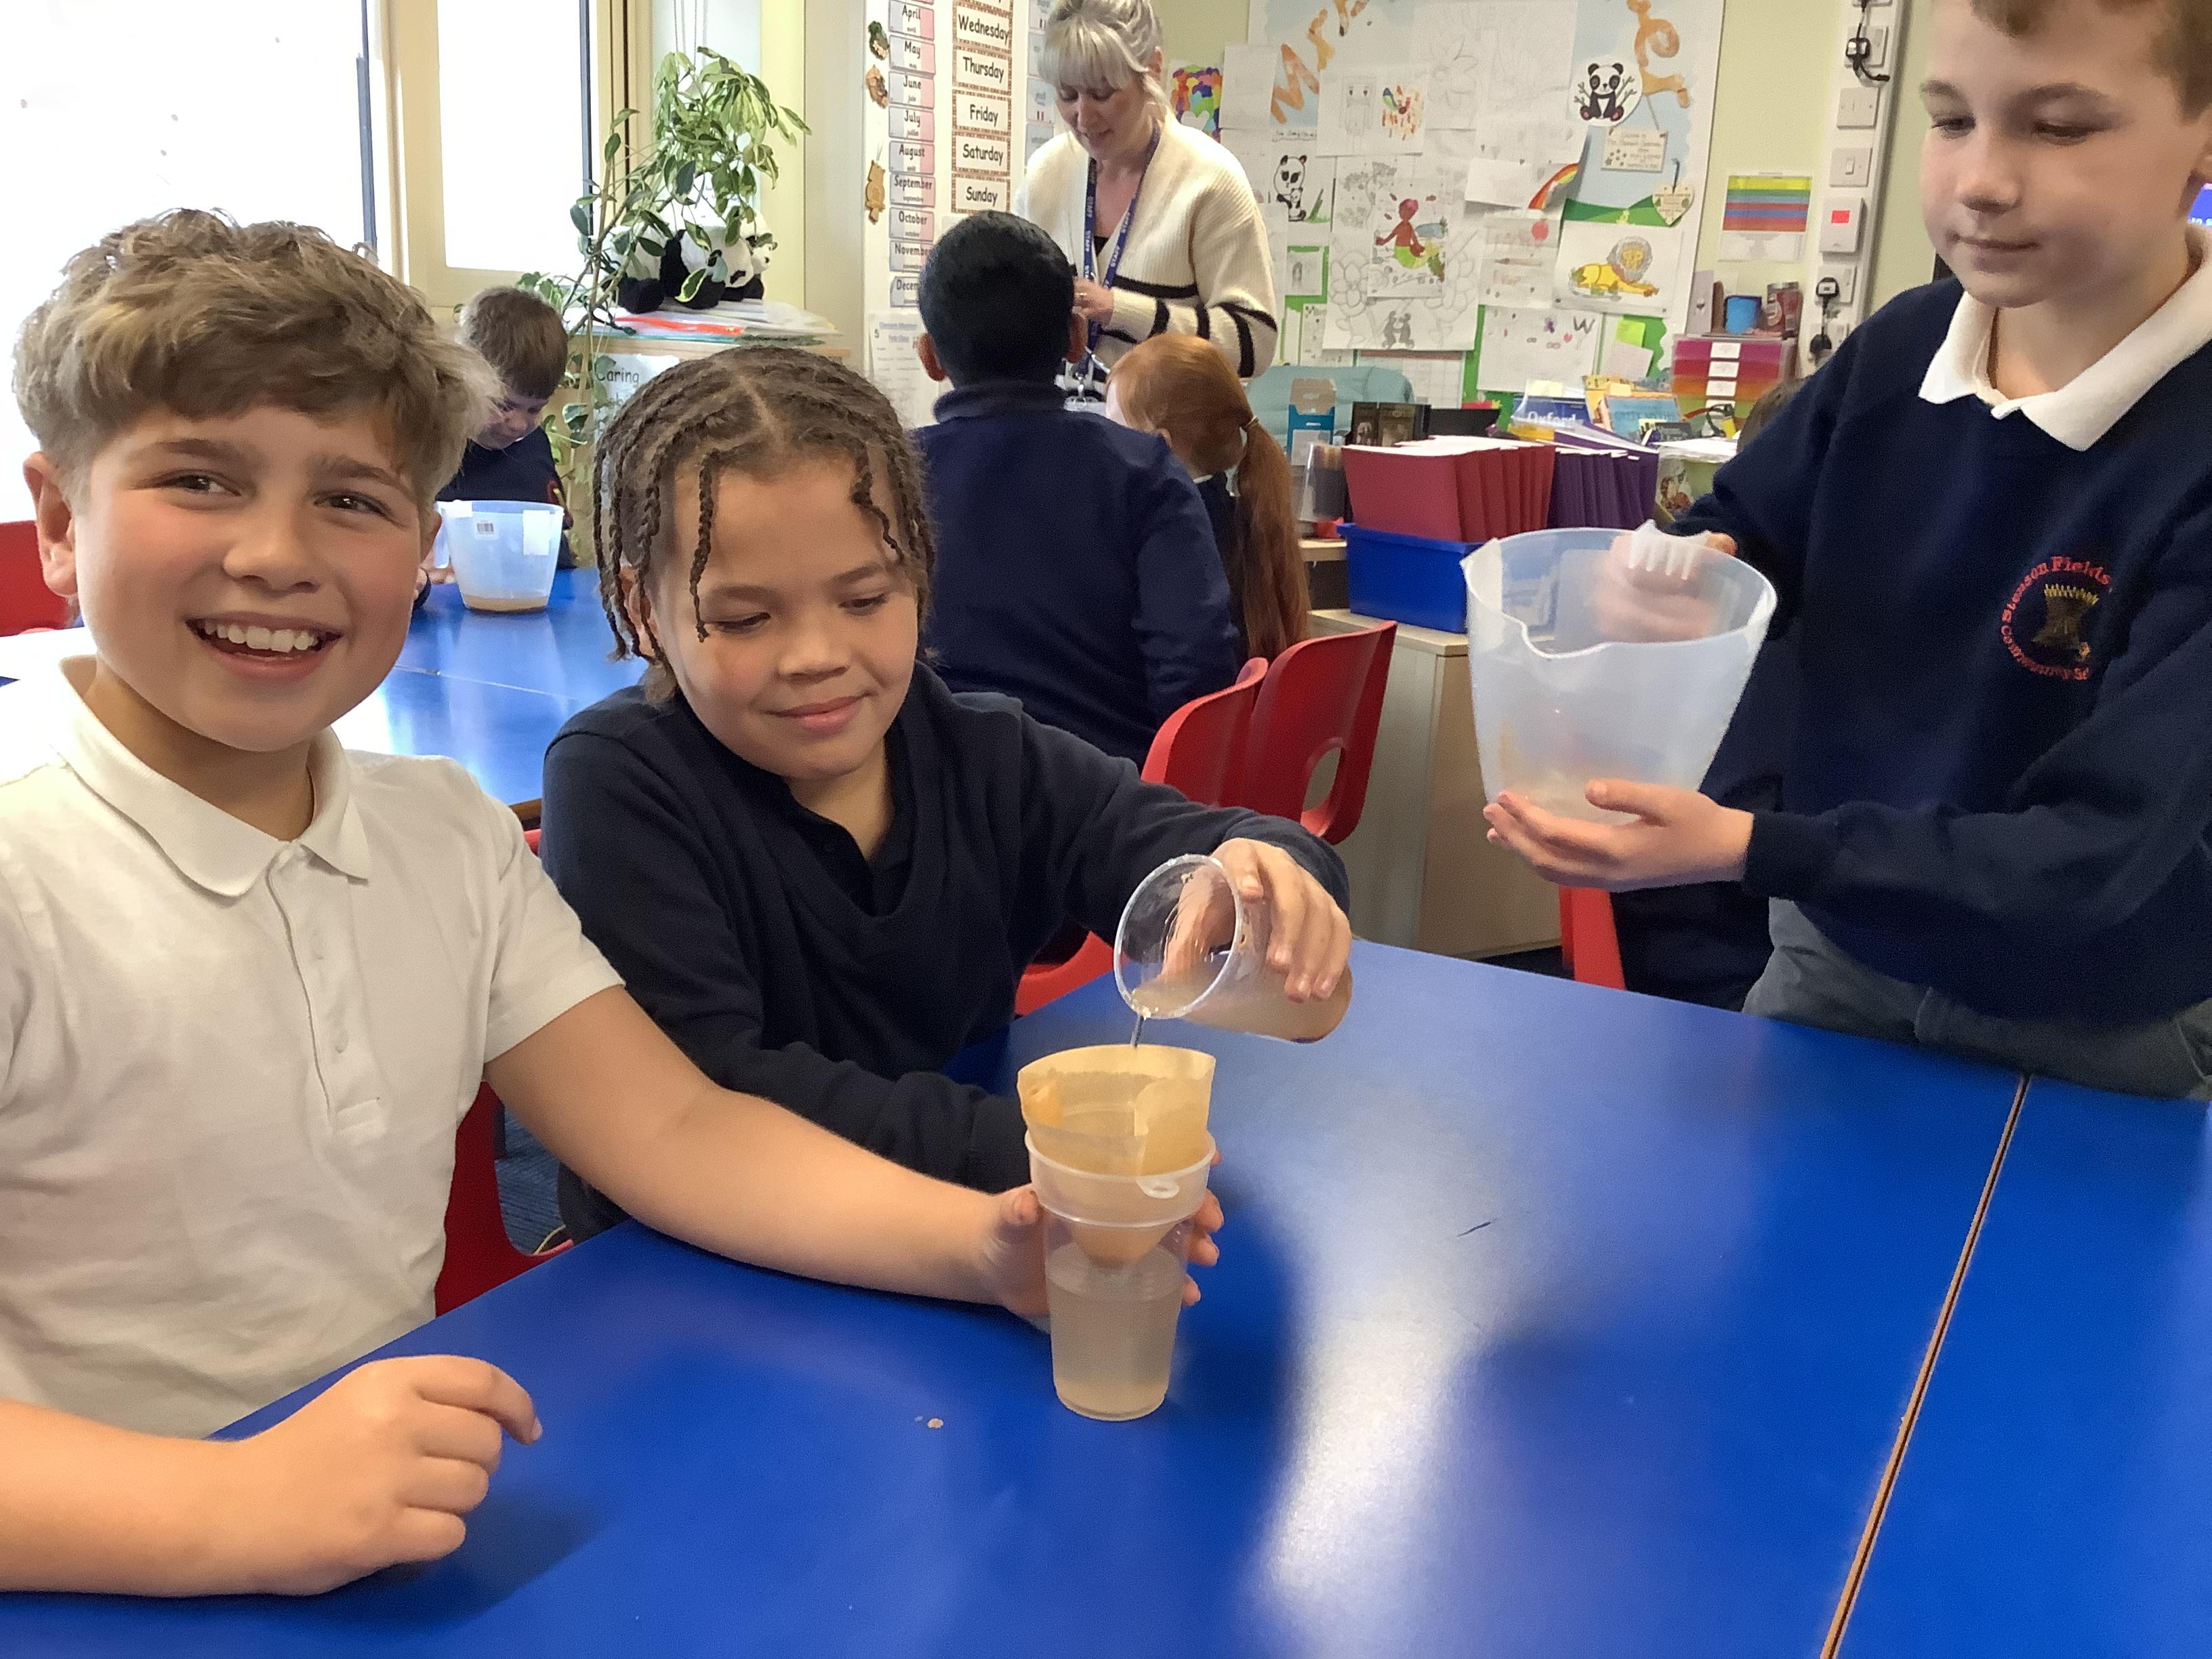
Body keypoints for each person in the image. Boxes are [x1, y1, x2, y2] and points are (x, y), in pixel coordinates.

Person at [0, 210, 1217, 1598]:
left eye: (350, 498)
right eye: (200, 480)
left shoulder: (444, 839)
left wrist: (977, 1250)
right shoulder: (26, 881)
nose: (277, 552)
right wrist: (229, 1501)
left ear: (425, 540)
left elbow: (677, 1129)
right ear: (59, 520)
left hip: (384, 1546)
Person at [1483, 0, 2212, 1099]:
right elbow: (1741, 532)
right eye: (1950, 119)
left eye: (2058, 127)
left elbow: (2096, 851)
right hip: (1836, 958)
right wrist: (1678, 584)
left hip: (2096, 1014)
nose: (1981, 180)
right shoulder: (1898, 351)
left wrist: (1745, 846)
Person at [539, 346, 1353, 1237]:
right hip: (693, 1263)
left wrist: (1270, 872)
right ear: (646, 612)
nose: (816, 655)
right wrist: (1045, 1148)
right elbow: (711, 1093)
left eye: (863, 600)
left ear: (919, 576)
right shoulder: (620, 780)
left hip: (963, 1240)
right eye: (745, 618)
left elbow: (1178, 838)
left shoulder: (986, 755)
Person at [913, 210, 1241, 768]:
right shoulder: (1146, 470)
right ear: (1076, 337)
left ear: (930, 357)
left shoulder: (888, 476)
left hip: (938, 795)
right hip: (1113, 797)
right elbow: (1195, 665)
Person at [1023, 0, 1279, 383]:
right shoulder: (1045, 173)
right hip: (1062, 420)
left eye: (1102, 93)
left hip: (1169, 422)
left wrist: (1122, 311)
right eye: (1067, 95)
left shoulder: (1210, 180)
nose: (1084, 117)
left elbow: (1254, 345)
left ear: (1153, 69)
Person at [1106, 333, 1311, 661]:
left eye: (1113, 431)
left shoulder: (1169, 536)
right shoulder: (1240, 515)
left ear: (1159, 446)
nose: (1106, 446)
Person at [428, 286, 571, 593]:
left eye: (535, 409)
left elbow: (557, 563)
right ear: (463, 378)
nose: (518, 424)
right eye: (503, 405)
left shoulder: (534, 448)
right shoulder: (431, 449)